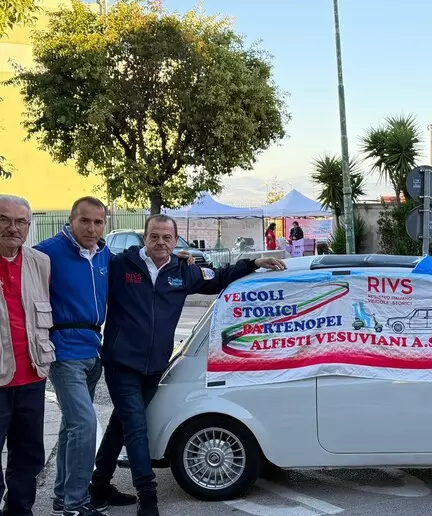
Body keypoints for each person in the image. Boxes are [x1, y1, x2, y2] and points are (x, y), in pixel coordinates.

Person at [89, 214, 286, 516]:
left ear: (175, 240)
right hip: (121, 363)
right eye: (154, 236)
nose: (160, 242)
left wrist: (253, 263)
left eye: (167, 237)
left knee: (122, 424)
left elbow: (219, 277)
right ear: (145, 237)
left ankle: (99, 485)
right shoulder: (121, 266)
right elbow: (95, 261)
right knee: (136, 427)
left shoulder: (182, 272)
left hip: (154, 365)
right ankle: (147, 495)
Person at [35, 198, 128, 516]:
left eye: (98, 222)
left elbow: (141, 270)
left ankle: (62, 495)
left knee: (71, 426)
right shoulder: (47, 251)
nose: (92, 228)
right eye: (85, 221)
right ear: (71, 220)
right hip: (63, 352)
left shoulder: (104, 254)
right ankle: (76, 504)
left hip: (93, 349)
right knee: (85, 425)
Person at [0, 195, 55, 516]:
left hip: (33, 375)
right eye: (4, 219)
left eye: (21, 222)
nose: (13, 227)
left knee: (29, 454)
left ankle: (20, 511)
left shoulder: (40, 262)